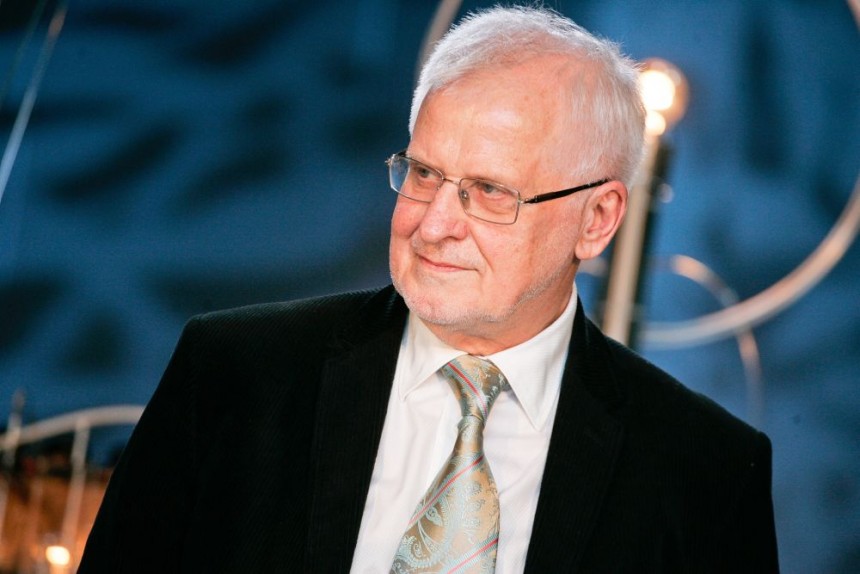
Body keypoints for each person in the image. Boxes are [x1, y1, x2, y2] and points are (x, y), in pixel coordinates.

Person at [79, 5, 778, 573]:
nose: (434, 224)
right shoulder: (233, 374)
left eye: (490, 191)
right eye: (422, 174)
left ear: (597, 220)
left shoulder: (707, 471)